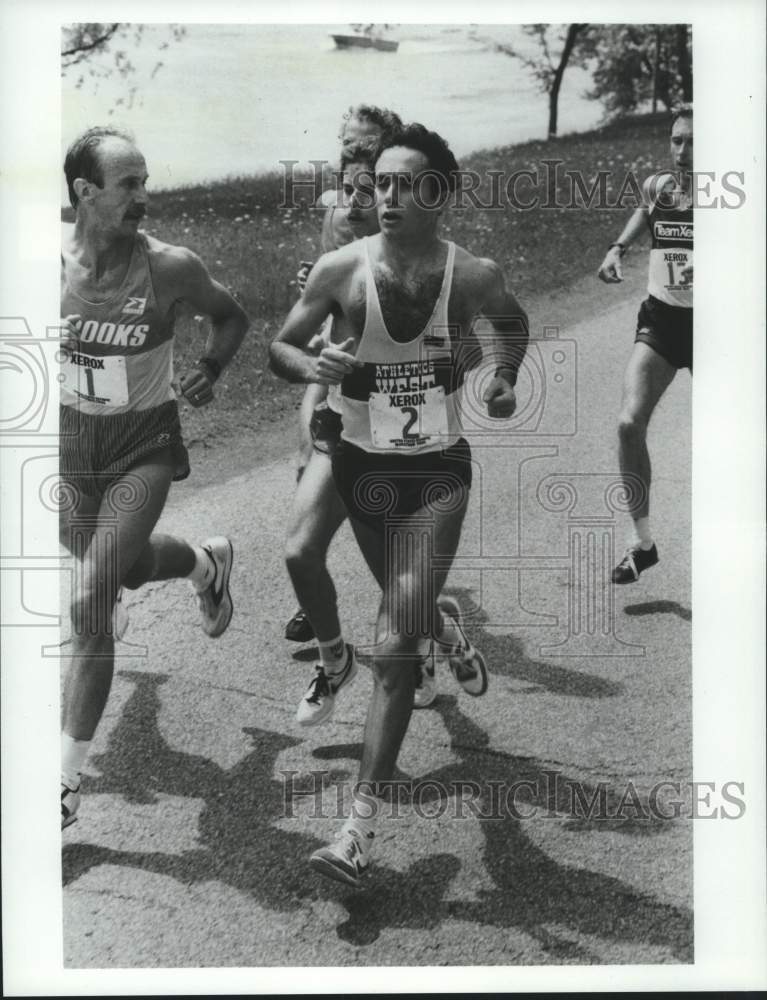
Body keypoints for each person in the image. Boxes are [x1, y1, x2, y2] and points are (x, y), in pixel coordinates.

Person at [270, 123, 529, 885]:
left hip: (434, 476)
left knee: (392, 645)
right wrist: (310, 361)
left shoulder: (472, 274)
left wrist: (501, 375)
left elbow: (509, 325)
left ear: (439, 195)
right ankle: (414, 634)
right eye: (377, 183)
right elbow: (280, 346)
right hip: (354, 461)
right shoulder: (341, 269)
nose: (384, 197)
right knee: (304, 555)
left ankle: (355, 832)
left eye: (403, 183)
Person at [59, 126, 249, 829]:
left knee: (88, 600)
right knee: (129, 571)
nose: (145, 196)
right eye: (128, 185)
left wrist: (211, 365)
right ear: (85, 192)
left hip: (143, 443)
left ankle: (64, 788)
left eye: (146, 181)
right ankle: (206, 563)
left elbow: (231, 317)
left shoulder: (169, 267)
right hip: (67, 446)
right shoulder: (40, 257)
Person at [284, 105, 403, 645]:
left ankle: (406, 613)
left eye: (365, 142)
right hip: (332, 350)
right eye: (346, 141)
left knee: (374, 503)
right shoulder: (335, 204)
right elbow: (324, 271)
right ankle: (314, 592)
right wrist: (312, 278)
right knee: (309, 449)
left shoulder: (392, 203)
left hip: (383, 363)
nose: (351, 149)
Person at [598, 104, 693, 584]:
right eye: (677, 140)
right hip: (662, 320)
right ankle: (643, 543)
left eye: (692, 142)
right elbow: (645, 207)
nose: (682, 151)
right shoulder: (661, 185)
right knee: (627, 424)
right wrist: (619, 247)